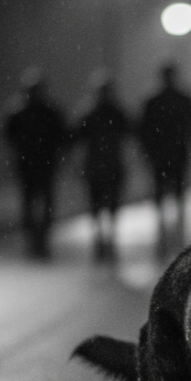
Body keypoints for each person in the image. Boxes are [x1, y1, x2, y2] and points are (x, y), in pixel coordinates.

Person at [138, 64, 191, 257]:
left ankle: (163, 232)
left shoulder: (152, 101)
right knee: (178, 193)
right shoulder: (183, 99)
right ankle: (177, 232)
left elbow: (142, 130)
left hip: (160, 156)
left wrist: (146, 153)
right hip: (178, 154)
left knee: (161, 194)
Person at [3, 69, 68, 259]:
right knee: (36, 205)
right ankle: (37, 241)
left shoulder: (24, 112)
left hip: (35, 165)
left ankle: (38, 240)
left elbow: (8, 136)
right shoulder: (44, 112)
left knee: (34, 205)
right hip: (37, 165)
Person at [71, 75, 134, 260]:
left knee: (97, 204)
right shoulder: (116, 112)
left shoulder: (89, 113)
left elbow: (76, 139)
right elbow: (130, 133)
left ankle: (101, 237)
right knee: (109, 203)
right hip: (109, 165)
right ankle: (107, 236)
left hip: (97, 166)